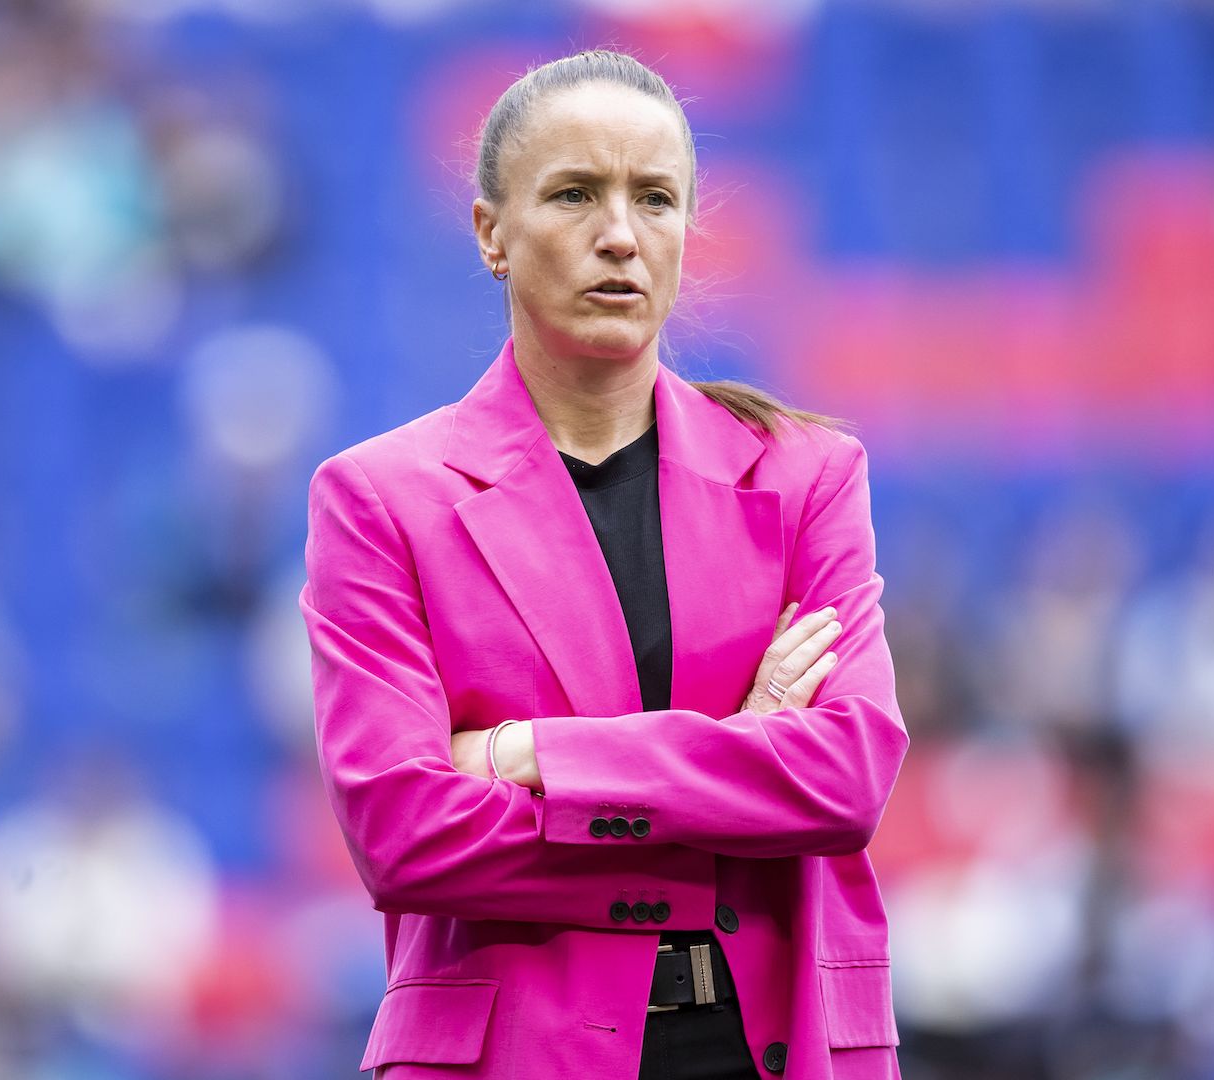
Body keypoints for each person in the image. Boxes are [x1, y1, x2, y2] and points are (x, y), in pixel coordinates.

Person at [299, 49, 908, 1080]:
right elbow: (405, 835)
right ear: (492, 233)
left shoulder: (807, 474)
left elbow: (845, 782)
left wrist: (534, 754)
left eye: (655, 198)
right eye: (575, 193)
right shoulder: (379, 499)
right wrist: (739, 762)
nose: (620, 234)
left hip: (784, 1046)